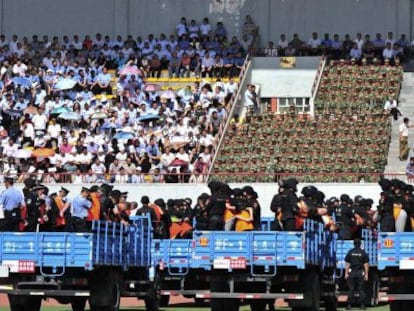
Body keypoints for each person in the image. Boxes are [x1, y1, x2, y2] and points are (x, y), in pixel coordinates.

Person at [345, 238, 369, 310]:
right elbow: (366, 265)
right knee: (361, 289)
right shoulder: (363, 252)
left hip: (352, 272)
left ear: (354, 244)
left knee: (351, 289)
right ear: (360, 244)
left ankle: (349, 305)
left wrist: (346, 273)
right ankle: (362, 306)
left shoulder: (350, 252)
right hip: (360, 272)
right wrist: (366, 274)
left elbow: (347, 264)